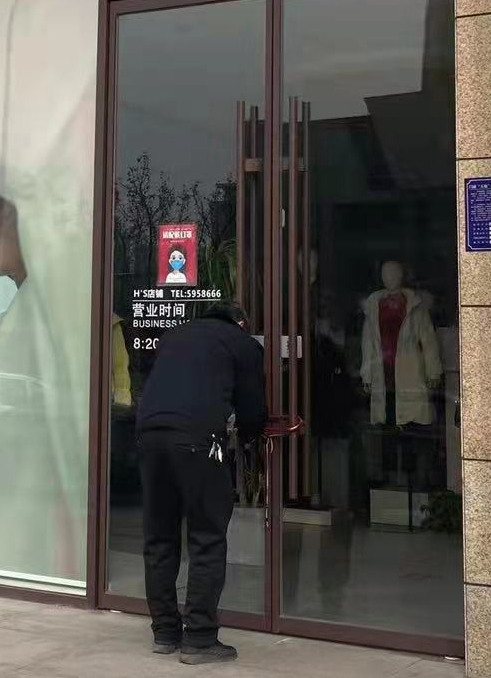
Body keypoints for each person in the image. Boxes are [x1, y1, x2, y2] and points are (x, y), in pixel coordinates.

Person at [136, 301, 267, 665]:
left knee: (160, 536)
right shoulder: (241, 343)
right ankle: (199, 638)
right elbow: (253, 409)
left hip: (149, 435)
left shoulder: (174, 335)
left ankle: (165, 632)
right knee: (207, 536)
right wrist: (251, 436)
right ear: (241, 322)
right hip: (197, 439)